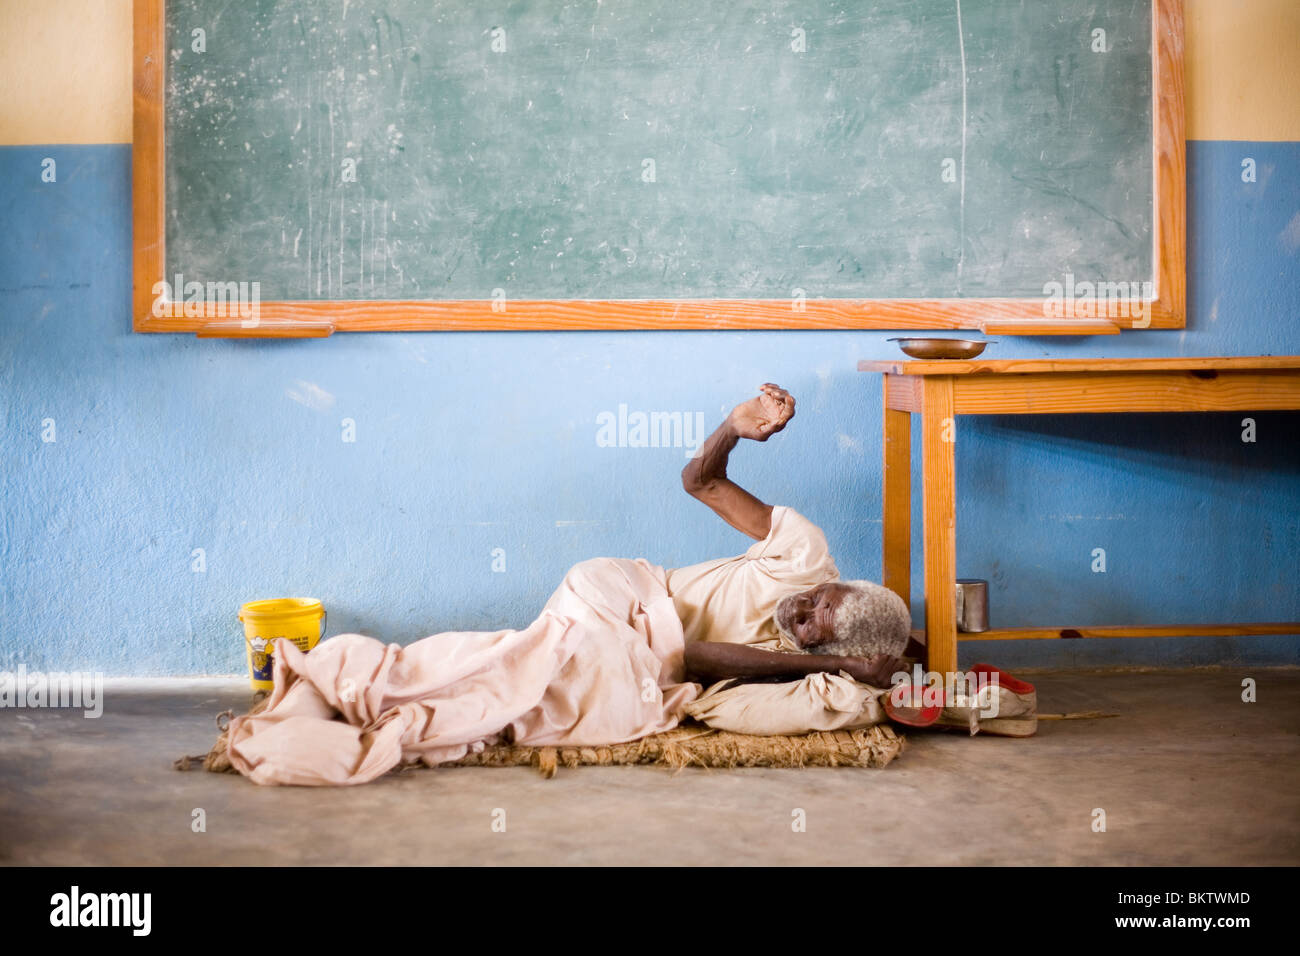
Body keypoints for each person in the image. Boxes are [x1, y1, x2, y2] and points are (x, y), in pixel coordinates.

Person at [225, 385, 915, 785]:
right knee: (526, 680)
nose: (801, 609)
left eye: (810, 626)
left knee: (506, 683)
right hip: (621, 595)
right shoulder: (804, 553)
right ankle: (358, 681)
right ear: (839, 582)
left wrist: (861, 668)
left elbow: (700, 666)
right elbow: (699, 481)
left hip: (637, 655)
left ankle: (356, 683)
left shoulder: (799, 675)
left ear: (825, 653)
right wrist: (733, 429)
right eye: (821, 598)